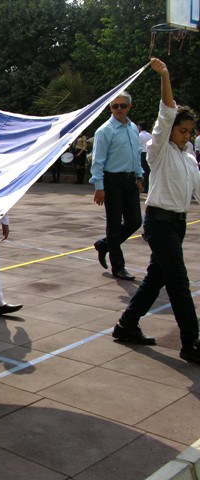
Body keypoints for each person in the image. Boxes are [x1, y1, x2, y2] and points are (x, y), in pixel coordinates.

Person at [112, 59, 200, 363]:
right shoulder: (159, 150)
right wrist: (165, 75)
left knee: (155, 279)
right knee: (179, 281)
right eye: (181, 130)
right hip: (159, 222)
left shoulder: (189, 159)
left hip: (178, 224)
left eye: (189, 132)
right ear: (170, 131)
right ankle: (191, 342)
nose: (185, 135)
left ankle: (126, 325)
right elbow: (166, 112)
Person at [90, 90, 143, 281]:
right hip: (112, 181)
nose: (119, 109)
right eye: (115, 106)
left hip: (129, 180)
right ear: (110, 108)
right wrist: (99, 187)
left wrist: (139, 176)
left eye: (122, 106)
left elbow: (137, 153)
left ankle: (104, 245)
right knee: (113, 225)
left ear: (129, 106)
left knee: (135, 222)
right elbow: (98, 161)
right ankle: (118, 267)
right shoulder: (105, 131)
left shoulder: (133, 128)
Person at [138, 122, 153, 193]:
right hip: (149, 153)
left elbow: (137, 145)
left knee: (143, 171)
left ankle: (144, 187)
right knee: (148, 171)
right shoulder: (150, 135)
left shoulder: (140, 135)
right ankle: (148, 186)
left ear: (140, 127)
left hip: (143, 153)